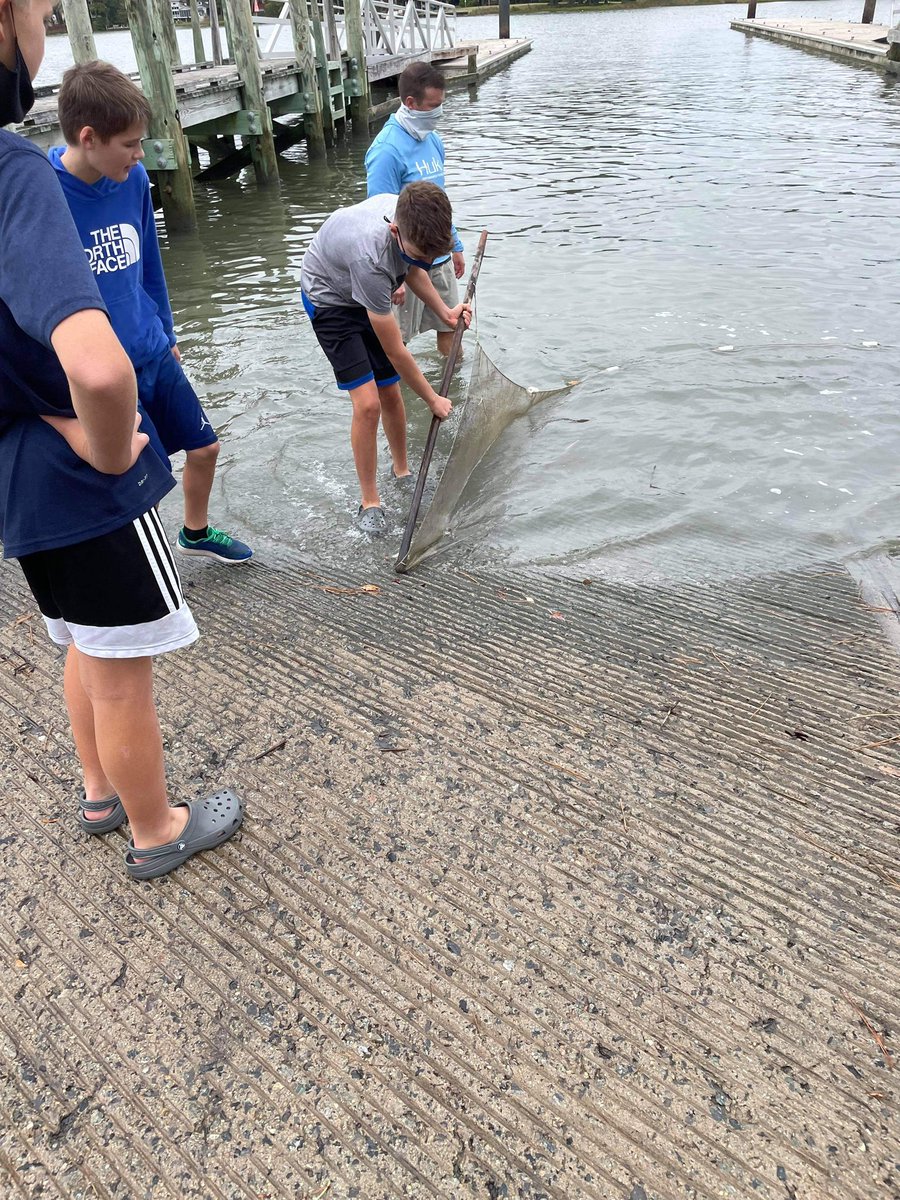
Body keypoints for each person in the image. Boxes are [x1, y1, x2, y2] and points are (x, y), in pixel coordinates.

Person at [0, 0, 242, 879]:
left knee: (82, 642)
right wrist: (107, 442)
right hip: (83, 475)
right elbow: (97, 370)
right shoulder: (18, 173)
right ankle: (158, 828)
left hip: (20, 474)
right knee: (124, 667)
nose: (48, 15)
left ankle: (101, 795)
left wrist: (38, 407)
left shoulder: (115, 186)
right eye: (37, 6)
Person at [49, 60, 252, 565]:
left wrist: (168, 330)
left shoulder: (134, 179)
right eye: (131, 143)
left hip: (153, 348)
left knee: (205, 448)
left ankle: (196, 532)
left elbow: (148, 265)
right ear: (89, 137)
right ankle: (148, 566)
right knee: (147, 474)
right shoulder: (45, 196)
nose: (141, 154)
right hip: (109, 368)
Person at [300, 181, 470, 536]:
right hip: (329, 299)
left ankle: (401, 470)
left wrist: (447, 312)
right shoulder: (372, 257)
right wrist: (433, 399)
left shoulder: (414, 214)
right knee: (367, 404)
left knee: (391, 392)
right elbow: (396, 351)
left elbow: (412, 268)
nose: (426, 262)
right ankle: (370, 502)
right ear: (395, 231)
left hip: (366, 286)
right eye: (421, 253)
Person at [365, 62, 464, 357]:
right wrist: (393, 278)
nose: (439, 112)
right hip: (405, 264)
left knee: (451, 324)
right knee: (397, 340)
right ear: (411, 103)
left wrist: (454, 244)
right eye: (434, 106)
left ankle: (451, 390)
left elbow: (439, 202)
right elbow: (379, 216)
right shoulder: (386, 151)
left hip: (440, 256)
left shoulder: (433, 140)